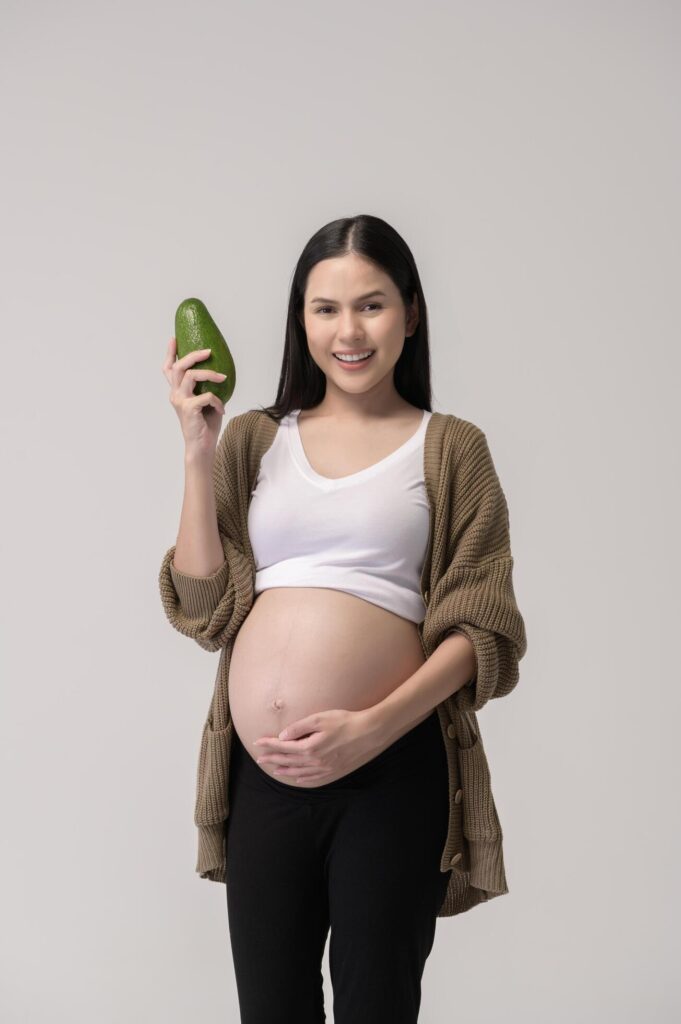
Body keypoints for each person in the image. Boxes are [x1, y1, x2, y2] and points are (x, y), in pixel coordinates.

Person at [159, 214, 527, 1024]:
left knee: (376, 1007)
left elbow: (483, 621)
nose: (348, 330)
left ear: (411, 313)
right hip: (265, 781)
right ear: (300, 319)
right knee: (272, 1011)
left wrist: (372, 726)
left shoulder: (450, 447)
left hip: (390, 773)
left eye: (371, 305)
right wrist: (196, 449)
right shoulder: (255, 439)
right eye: (324, 308)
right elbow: (202, 606)